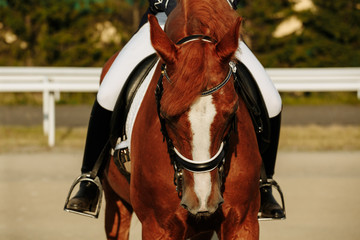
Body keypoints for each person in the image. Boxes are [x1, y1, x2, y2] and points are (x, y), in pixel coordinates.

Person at [65, 0, 285, 219]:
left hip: (216, 26)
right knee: (108, 92)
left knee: (272, 100)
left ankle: (265, 184)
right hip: (165, 22)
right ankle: (89, 177)